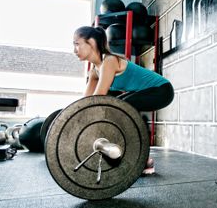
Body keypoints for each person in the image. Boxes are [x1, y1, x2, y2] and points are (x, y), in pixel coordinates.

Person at [73, 26, 174, 174]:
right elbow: (86, 103)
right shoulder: (95, 71)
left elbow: (99, 97)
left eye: (77, 43)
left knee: (120, 109)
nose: (74, 49)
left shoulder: (109, 60)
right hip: (144, 92)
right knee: (117, 106)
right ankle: (137, 157)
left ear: (92, 42)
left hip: (162, 90)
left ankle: (144, 160)